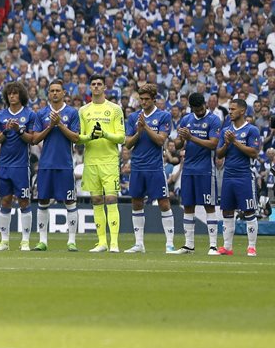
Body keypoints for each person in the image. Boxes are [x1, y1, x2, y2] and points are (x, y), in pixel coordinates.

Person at [123, 83, 176, 253]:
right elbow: (128, 144)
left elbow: (161, 141)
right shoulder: (133, 118)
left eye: (147, 99)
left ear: (154, 99)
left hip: (155, 167)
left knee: (163, 202)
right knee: (136, 201)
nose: (143, 102)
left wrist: (145, 127)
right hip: (137, 166)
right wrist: (139, 131)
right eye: (141, 99)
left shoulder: (163, 116)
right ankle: (139, 244)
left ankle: (169, 243)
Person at [32, 80, 82, 251]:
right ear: (48, 93)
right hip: (46, 164)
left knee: (69, 201)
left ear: (64, 93)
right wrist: (50, 127)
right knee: (43, 200)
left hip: (65, 164)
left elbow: (75, 138)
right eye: (52, 90)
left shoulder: (72, 113)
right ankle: (43, 241)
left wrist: (59, 124)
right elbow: (35, 138)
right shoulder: (42, 113)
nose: (54, 93)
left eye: (57, 90)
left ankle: (72, 241)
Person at [78, 74, 125, 253]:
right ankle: (102, 242)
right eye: (93, 84)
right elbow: (79, 139)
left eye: (99, 84)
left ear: (105, 87)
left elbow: (121, 137)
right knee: (97, 200)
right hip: (91, 161)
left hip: (109, 161)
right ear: (90, 87)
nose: (96, 87)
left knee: (111, 199)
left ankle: (114, 243)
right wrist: (90, 137)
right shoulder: (83, 110)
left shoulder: (115, 109)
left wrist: (104, 134)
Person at [174, 92, 221, 254]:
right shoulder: (186, 119)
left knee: (209, 205)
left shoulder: (214, 120)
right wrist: (180, 139)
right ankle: (189, 245)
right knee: (188, 205)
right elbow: (178, 145)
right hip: (188, 169)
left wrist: (191, 137)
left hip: (206, 170)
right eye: (196, 109)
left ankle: (213, 245)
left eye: (201, 108)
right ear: (191, 108)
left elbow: (213, 144)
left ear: (205, 104)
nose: (199, 111)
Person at [0, 81, 36, 251]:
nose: (12, 96)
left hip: (21, 166)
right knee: (5, 200)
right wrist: (6, 131)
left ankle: (25, 241)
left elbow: (32, 140)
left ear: (21, 96)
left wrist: (19, 130)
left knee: (24, 201)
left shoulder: (29, 114)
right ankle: (4, 241)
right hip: (4, 165)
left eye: (15, 93)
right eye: (10, 94)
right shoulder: (0, 115)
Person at [216, 98, 261, 257]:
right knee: (227, 211)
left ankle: (251, 247)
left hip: (245, 176)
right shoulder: (226, 130)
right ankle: (227, 247)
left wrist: (234, 142)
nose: (230, 112)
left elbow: (254, 152)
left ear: (242, 111)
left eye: (233, 109)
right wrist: (227, 144)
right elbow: (219, 154)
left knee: (249, 211)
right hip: (228, 176)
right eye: (229, 109)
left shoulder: (251, 130)